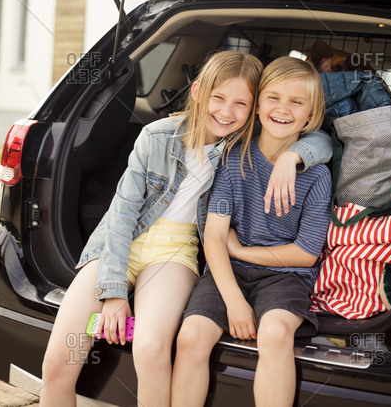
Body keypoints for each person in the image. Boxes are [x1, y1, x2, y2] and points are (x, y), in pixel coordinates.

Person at [39, 51, 331, 407]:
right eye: (218, 98)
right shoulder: (156, 136)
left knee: (149, 347)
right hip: (120, 241)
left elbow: (319, 139)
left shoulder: (237, 148)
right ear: (197, 92)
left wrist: (292, 155)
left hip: (175, 252)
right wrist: (114, 294)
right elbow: (121, 214)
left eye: (241, 103)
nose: (226, 112)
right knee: (58, 363)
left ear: (253, 108)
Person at [171, 56, 332, 407]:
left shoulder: (318, 176)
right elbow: (214, 237)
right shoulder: (233, 159)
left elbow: (305, 253)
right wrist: (235, 303)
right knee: (192, 335)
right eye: (273, 98)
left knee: (274, 335)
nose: (283, 109)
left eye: (296, 102)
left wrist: (240, 250)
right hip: (227, 273)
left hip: (287, 276)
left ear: (311, 115)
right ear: (257, 106)